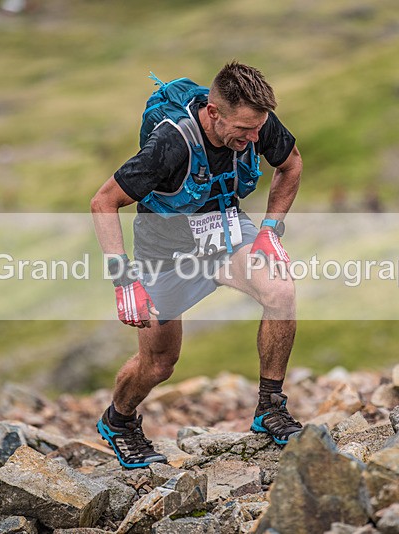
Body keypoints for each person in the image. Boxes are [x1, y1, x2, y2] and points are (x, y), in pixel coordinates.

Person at [90, 61, 303, 469]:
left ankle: (270, 407)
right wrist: (124, 281)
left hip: (225, 234)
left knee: (280, 290)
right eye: (244, 130)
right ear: (213, 112)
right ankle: (119, 422)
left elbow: (290, 161)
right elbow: (104, 201)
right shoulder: (171, 145)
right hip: (165, 253)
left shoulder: (258, 122)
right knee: (158, 364)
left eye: (258, 128)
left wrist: (271, 229)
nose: (255, 137)